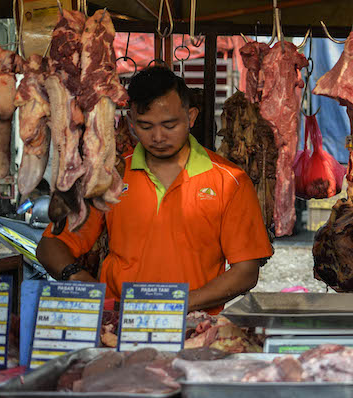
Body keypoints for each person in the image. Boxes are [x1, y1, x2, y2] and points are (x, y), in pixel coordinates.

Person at [37, 66, 273, 313]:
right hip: (118, 322)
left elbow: (246, 271)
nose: (158, 137)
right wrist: (81, 282)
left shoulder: (230, 181)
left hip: (194, 326)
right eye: (146, 126)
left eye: (169, 125)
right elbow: (51, 246)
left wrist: (178, 306)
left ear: (191, 117)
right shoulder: (110, 175)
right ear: (129, 121)